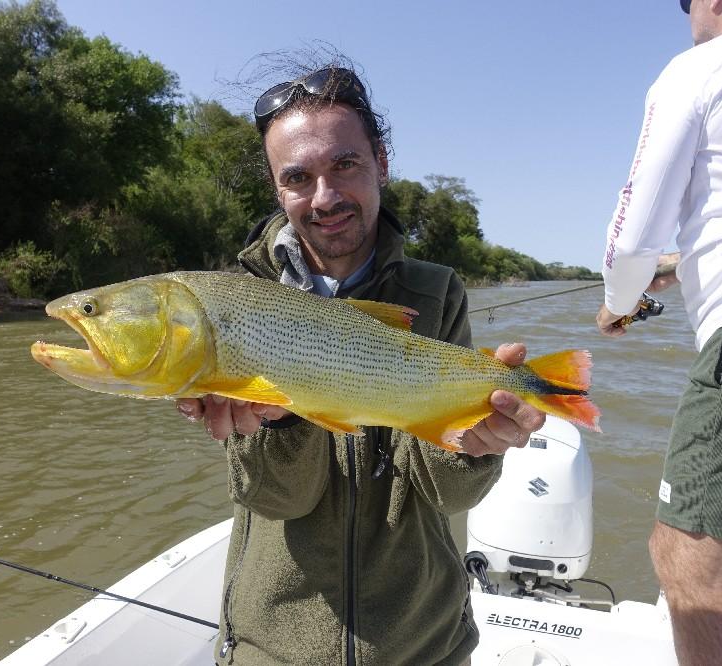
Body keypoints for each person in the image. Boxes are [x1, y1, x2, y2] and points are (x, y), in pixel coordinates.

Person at [175, 64, 546, 664]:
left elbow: (447, 493)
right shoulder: (234, 304)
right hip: (274, 647)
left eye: (344, 164)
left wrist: (479, 445)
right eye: (298, 178)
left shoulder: (436, 294)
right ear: (277, 189)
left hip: (422, 642)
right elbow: (279, 501)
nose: (325, 198)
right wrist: (281, 418)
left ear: (381, 163)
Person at [596, 2, 722, 664]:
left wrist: (619, 301)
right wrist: (684, 264)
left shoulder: (700, 67)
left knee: (687, 561)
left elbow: (632, 237)